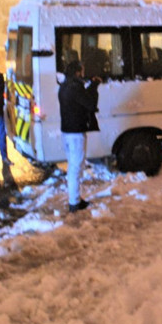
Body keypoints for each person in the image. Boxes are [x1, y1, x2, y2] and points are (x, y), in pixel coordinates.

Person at [58, 60, 100, 213]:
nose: (83, 73)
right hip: (75, 133)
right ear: (77, 72)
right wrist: (94, 86)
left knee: (73, 166)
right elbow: (90, 104)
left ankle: (75, 198)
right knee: (76, 168)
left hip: (67, 131)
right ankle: (74, 202)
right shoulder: (75, 87)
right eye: (82, 71)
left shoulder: (64, 86)